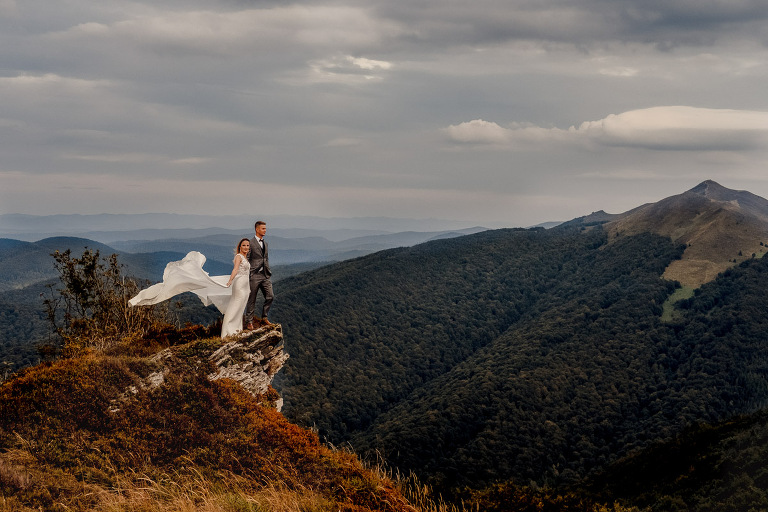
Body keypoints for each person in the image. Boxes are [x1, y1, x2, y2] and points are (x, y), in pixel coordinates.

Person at [128, 238, 252, 338]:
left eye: (247, 246)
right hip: (239, 284)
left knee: (240, 308)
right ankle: (228, 333)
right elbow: (235, 269)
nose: (246, 247)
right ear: (240, 247)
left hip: (245, 285)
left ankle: (237, 330)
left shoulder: (245, 257)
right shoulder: (239, 257)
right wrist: (230, 281)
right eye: (244, 245)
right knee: (235, 306)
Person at [245, 220, 273, 329]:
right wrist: (249, 273)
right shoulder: (250, 243)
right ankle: (249, 322)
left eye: (265, 228)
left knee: (270, 296)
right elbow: (247, 259)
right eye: (263, 228)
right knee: (252, 299)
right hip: (254, 275)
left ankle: (264, 317)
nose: (265, 230)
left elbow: (265, 258)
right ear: (257, 229)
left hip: (265, 275)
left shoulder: (265, 243)